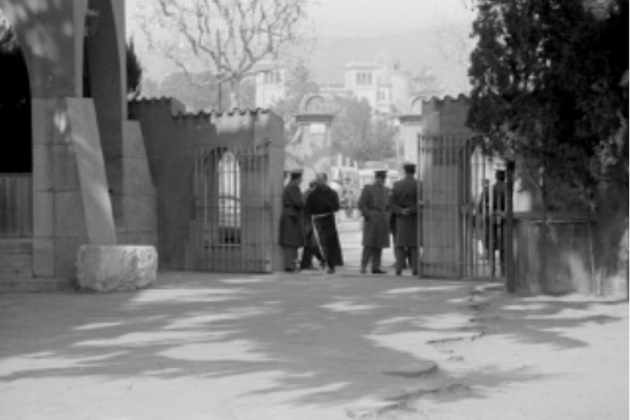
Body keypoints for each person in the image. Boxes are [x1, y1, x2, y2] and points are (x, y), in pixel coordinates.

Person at [305, 173, 344, 274]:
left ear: (325, 180)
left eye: (321, 180)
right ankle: (322, 261)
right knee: (319, 243)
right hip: (317, 220)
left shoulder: (332, 193)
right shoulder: (312, 194)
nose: (319, 182)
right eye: (317, 179)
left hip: (328, 219)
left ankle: (331, 265)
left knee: (330, 243)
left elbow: (336, 207)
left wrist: (327, 205)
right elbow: (308, 208)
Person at [357, 170, 391, 274]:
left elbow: (389, 206)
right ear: (375, 178)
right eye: (379, 178)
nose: (381, 180)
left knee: (379, 244)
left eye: (383, 178)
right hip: (372, 219)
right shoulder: (368, 189)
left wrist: (387, 215)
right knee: (369, 244)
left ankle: (376, 267)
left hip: (382, 218)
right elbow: (361, 204)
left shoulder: (386, 190)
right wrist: (369, 214)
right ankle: (363, 266)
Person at [390, 163, 419, 276]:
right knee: (414, 245)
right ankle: (415, 269)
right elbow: (420, 202)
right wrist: (411, 209)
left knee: (400, 244)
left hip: (401, 218)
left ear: (405, 171)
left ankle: (399, 268)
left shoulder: (397, 185)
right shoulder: (419, 185)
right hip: (414, 218)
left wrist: (401, 210)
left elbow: (392, 203)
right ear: (414, 171)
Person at [279, 169, 305, 272]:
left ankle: (292, 264)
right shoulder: (293, 187)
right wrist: (305, 203)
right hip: (292, 216)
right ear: (297, 179)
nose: (301, 180)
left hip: (291, 215)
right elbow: (299, 202)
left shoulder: (289, 187)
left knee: (292, 242)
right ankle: (290, 264)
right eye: (300, 178)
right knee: (291, 242)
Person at [300, 180, 325, 270]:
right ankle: (309, 263)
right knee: (311, 243)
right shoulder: (308, 195)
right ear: (314, 187)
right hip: (305, 222)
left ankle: (306, 263)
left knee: (310, 243)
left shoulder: (307, 193)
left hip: (306, 221)